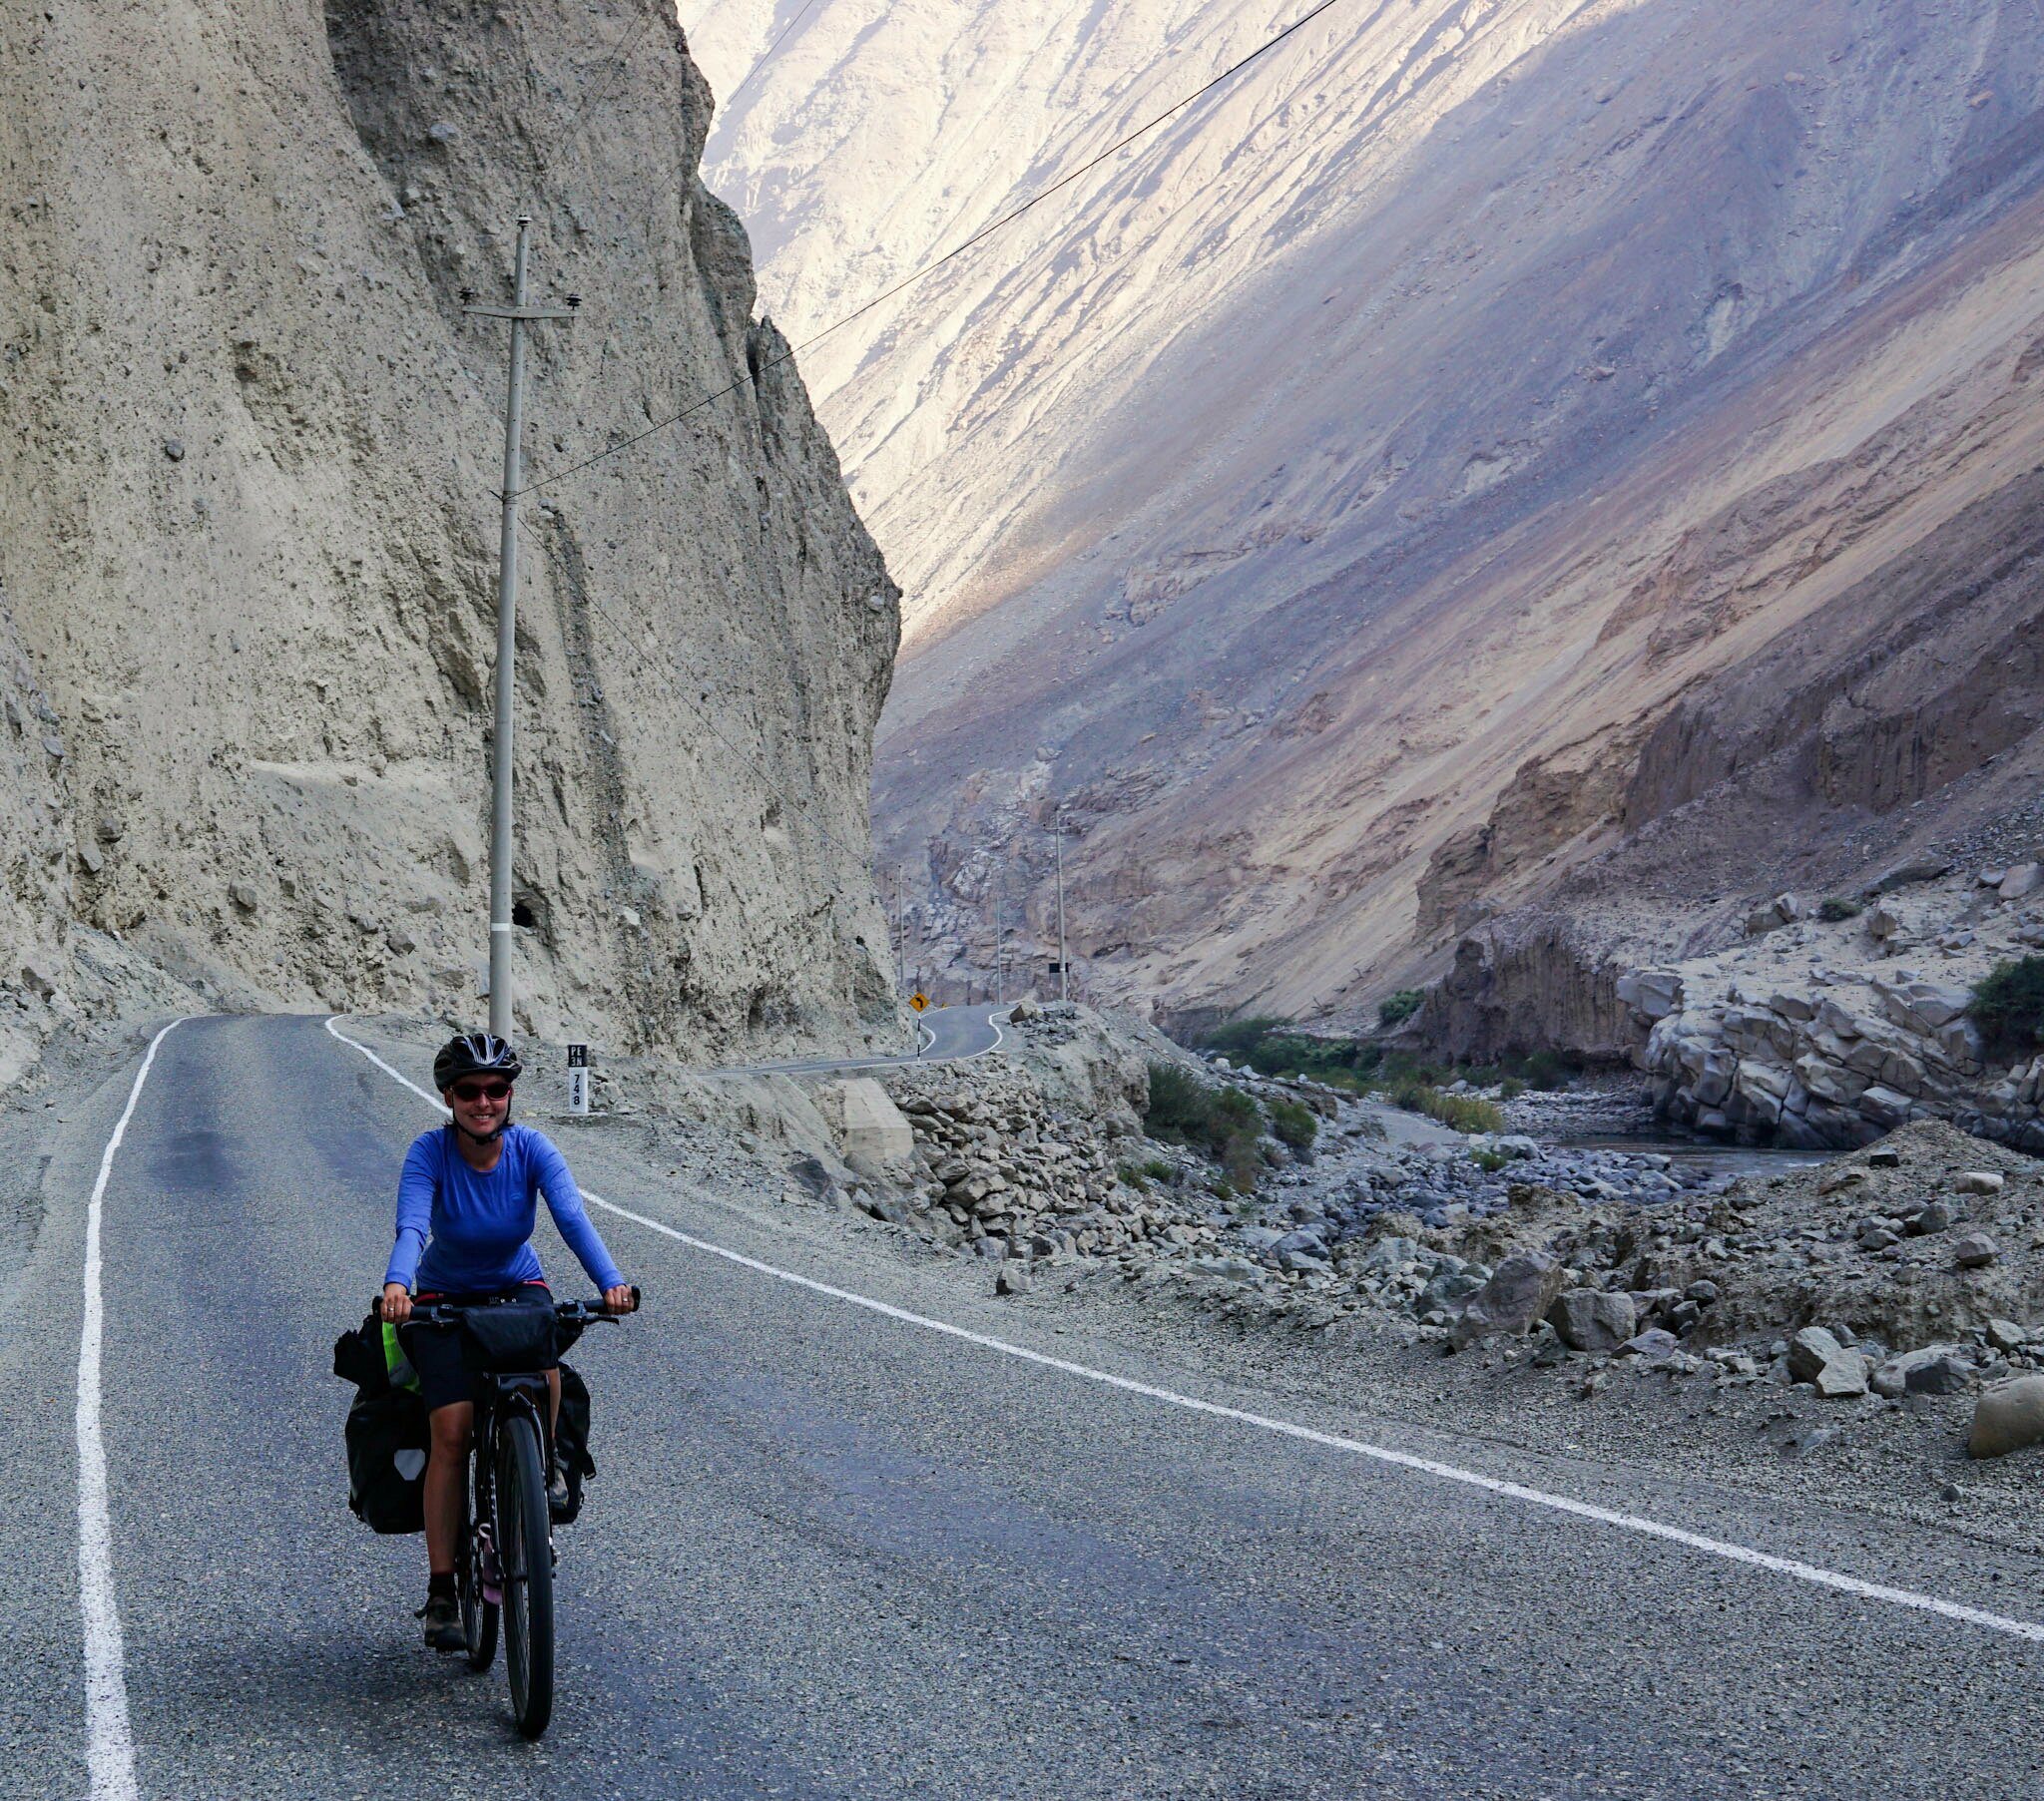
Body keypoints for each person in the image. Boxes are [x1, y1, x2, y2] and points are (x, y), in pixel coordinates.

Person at [378, 1032, 636, 1651]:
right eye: (469, 1091)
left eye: (496, 1089)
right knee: (451, 1432)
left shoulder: (532, 1148)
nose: (483, 1101)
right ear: (449, 1097)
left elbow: (570, 1216)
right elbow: (412, 1225)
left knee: (544, 1358)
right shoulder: (429, 1152)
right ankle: (443, 1592)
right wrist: (397, 1284)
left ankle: (542, 1473)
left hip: (517, 1283)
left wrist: (610, 1282)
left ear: (509, 1095)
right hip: (443, 1296)